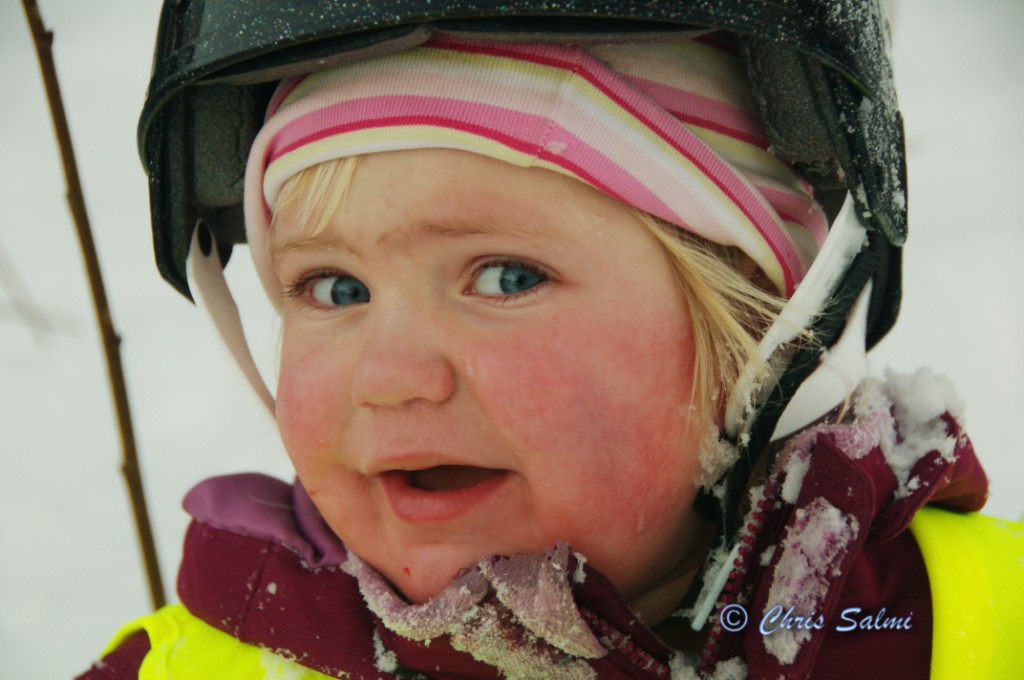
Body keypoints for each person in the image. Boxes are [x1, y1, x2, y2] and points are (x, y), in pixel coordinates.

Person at [78, 1, 1023, 678]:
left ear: (759, 334)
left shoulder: (976, 629)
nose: (393, 376)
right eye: (335, 288)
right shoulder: (191, 666)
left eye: (506, 277)